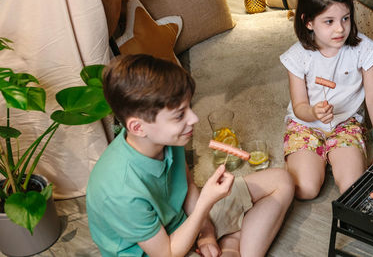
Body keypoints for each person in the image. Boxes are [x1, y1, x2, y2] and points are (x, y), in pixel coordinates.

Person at [86, 54, 294, 257]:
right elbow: (166, 252)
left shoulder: (169, 138)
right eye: (179, 115)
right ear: (138, 127)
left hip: (187, 220)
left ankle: (233, 241)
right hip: (162, 248)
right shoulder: (121, 191)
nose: (193, 119)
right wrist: (206, 203)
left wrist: (207, 234)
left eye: (188, 108)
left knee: (281, 179)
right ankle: (233, 239)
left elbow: (188, 187)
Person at [279, 0, 373, 199]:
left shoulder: (363, 48)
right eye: (329, 21)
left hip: (345, 124)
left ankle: (332, 157)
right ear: (308, 21)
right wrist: (313, 112)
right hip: (306, 124)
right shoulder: (298, 55)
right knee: (305, 189)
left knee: (352, 187)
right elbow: (299, 105)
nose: (340, 29)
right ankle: (314, 159)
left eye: (345, 18)